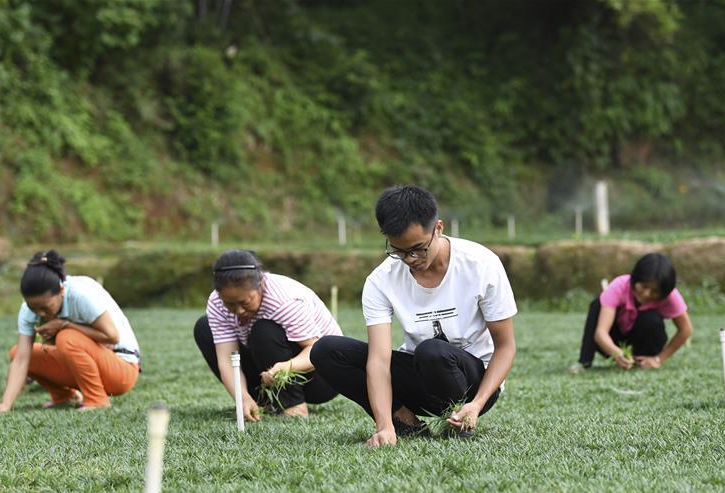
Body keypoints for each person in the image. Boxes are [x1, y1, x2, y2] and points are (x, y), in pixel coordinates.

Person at [311, 185, 518, 447]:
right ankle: (404, 421)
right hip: (420, 376)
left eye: (419, 248)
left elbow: (505, 346)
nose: (410, 259)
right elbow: (379, 360)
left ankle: (459, 418)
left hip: (474, 384)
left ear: (438, 229)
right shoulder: (380, 280)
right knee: (327, 350)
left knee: (432, 351)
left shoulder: (481, 264)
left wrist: (476, 404)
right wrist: (384, 426)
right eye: (398, 250)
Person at [0, 250, 141, 413]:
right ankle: (65, 397)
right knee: (17, 352)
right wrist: (5, 405)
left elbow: (112, 337)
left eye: (45, 308)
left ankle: (97, 400)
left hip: (122, 369)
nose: (40, 313)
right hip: (89, 364)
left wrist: (64, 325)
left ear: (61, 290)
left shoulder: (80, 295)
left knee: (67, 338)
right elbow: (21, 359)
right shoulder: (28, 310)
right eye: (34, 308)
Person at [193, 249, 341, 419]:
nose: (238, 311)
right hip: (267, 372)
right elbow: (227, 359)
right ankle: (258, 403)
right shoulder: (217, 302)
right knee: (204, 328)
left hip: (324, 375)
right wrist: (242, 397)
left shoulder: (284, 300)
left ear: (261, 285)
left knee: (263, 330)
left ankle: (293, 406)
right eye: (230, 305)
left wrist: (286, 367)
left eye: (245, 302)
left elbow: (315, 350)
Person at [570, 252, 693, 372]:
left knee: (650, 317)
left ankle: (642, 361)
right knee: (597, 305)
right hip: (614, 340)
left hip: (645, 345)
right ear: (635, 279)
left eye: (655, 291)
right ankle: (584, 362)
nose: (647, 294)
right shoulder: (619, 286)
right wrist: (616, 352)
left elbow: (685, 330)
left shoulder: (671, 296)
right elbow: (601, 333)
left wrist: (659, 359)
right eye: (644, 286)